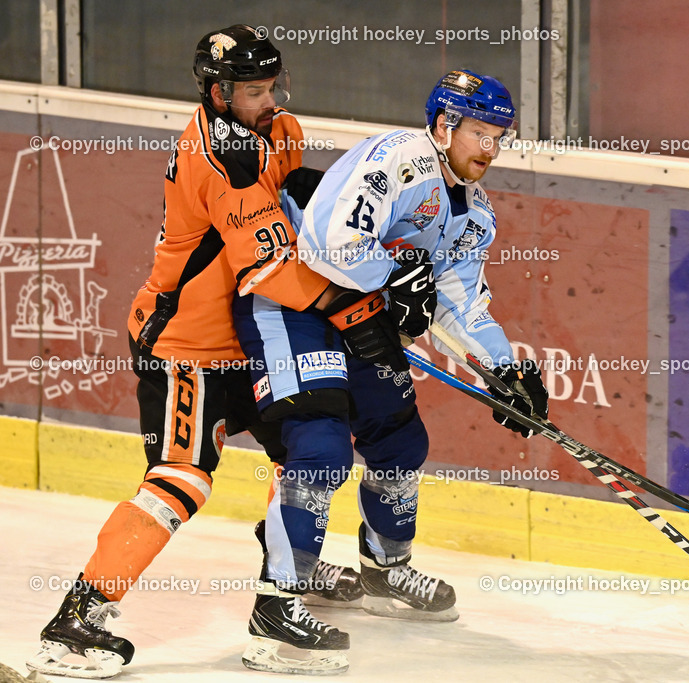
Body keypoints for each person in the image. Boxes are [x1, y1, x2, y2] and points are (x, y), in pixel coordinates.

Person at [27, 24, 363, 679]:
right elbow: (270, 270)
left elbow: (299, 218)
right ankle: (78, 617)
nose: (270, 101)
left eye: (274, 87)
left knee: (307, 447)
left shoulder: (278, 130)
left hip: (247, 338)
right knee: (181, 479)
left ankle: (282, 590)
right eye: (254, 91)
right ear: (217, 93)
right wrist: (362, 306)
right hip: (187, 348)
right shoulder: (215, 160)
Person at [231, 68, 549, 674]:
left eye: (500, 136)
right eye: (481, 132)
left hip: (359, 320)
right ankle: (276, 606)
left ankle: (384, 570)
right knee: (321, 450)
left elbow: (458, 304)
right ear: (444, 125)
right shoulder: (399, 160)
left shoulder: (474, 214)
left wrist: (505, 371)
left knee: (401, 441)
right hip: (297, 305)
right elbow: (327, 240)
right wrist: (395, 277)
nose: (492, 148)